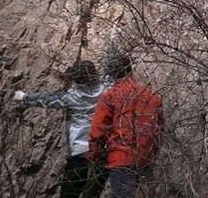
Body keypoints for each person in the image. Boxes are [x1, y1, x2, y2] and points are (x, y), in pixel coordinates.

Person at [13, 60, 109, 198]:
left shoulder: (72, 97)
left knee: (69, 192)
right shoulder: (106, 89)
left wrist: (23, 97)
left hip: (80, 152)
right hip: (102, 150)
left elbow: (47, 100)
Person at [88, 54, 164, 198]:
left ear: (111, 74)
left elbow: (98, 131)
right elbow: (160, 131)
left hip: (121, 159)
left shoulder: (110, 96)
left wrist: (95, 157)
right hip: (145, 160)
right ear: (130, 69)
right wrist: (152, 156)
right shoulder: (152, 96)